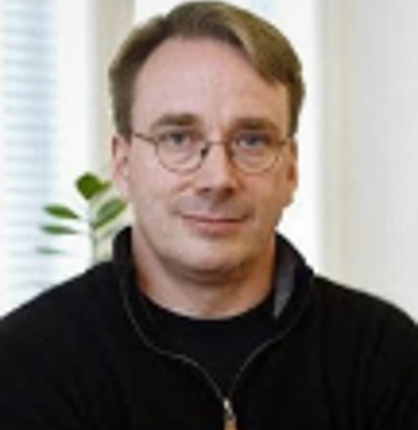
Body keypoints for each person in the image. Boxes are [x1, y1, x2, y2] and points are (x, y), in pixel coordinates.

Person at [1, 1, 418, 429]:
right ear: (123, 166)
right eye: (178, 138)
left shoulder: (384, 355)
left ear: (290, 170)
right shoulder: (29, 362)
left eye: (251, 140)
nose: (218, 178)